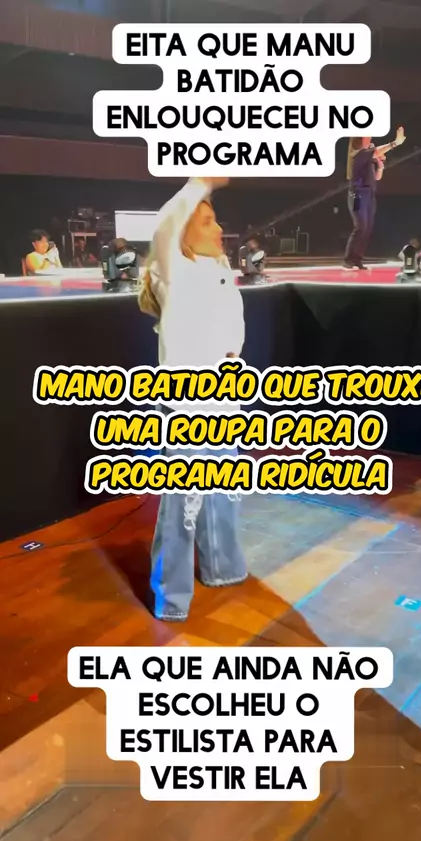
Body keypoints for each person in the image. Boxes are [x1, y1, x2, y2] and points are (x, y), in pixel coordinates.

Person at [138, 177, 247, 622]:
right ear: (183, 235)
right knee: (182, 506)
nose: (219, 228)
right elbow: (165, 223)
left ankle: (223, 568)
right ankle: (172, 597)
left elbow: (229, 336)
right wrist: (200, 182)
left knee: (223, 495)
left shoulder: (218, 271)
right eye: (206, 221)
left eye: (216, 219)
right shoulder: (174, 271)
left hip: (223, 406)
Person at [344, 127, 406, 270]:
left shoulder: (367, 158)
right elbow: (377, 151)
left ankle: (357, 258)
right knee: (360, 227)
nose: (370, 138)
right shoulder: (357, 154)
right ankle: (348, 259)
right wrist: (395, 143)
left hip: (369, 195)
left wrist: (380, 166)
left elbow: (377, 176)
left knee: (367, 228)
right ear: (360, 139)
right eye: (367, 136)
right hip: (357, 195)